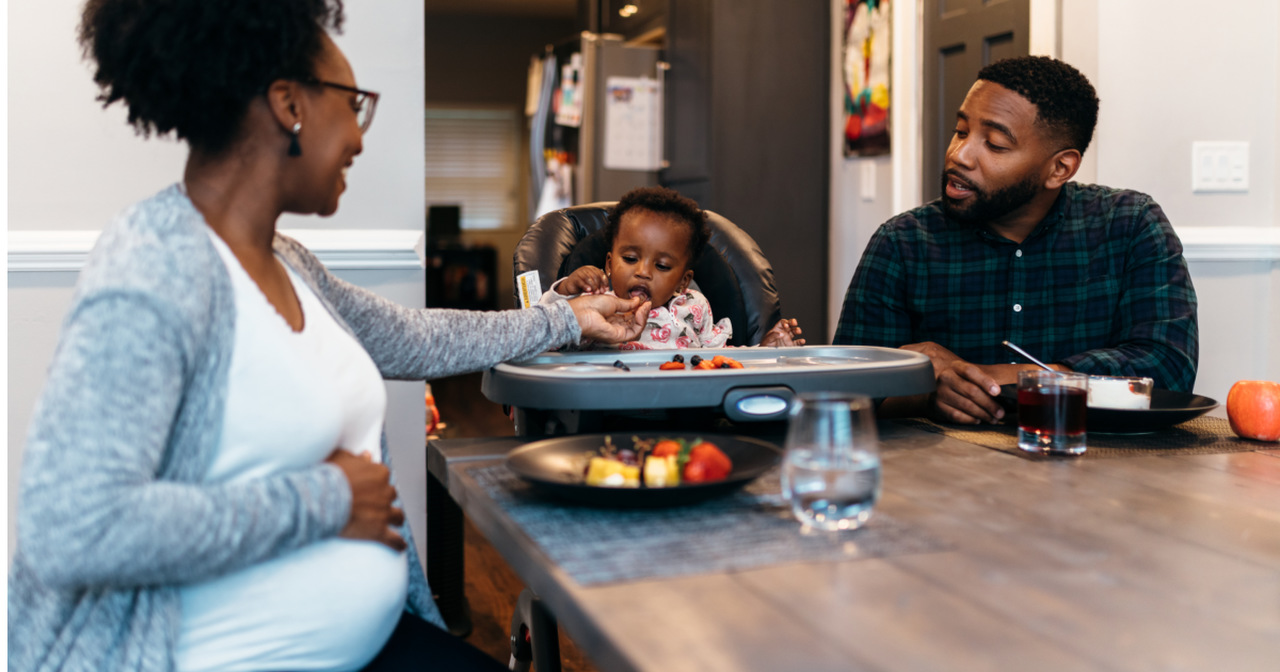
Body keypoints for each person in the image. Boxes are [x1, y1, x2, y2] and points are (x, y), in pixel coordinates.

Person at [8, 2, 652, 671]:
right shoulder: (152, 266)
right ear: (289, 104)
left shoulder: (284, 258)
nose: (360, 136)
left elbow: (411, 338)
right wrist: (325, 500)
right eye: (353, 103)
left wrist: (564, 318)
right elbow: (73, 527)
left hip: (372, 640)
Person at [834, 56, 1198, 425]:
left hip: (1105, 468)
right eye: (961, 131)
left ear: (1060, 168)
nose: (959, 155)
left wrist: (999, 379)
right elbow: (843, 390)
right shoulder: (902, 242)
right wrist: (926, 393)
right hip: (945, 474)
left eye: (994, 144)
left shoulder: (1130, 225)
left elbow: (1168, 368)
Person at [539, 186, 805, 349]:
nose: (643, 271)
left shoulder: (695, 308)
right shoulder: (594, 302)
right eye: (630, 259)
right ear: (609, 264)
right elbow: (545, 336)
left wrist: (766, 352)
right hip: (605, 413)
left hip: (684, 415)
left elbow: (723, 362)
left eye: (662, 266)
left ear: (683, 281)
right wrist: (564, 290)